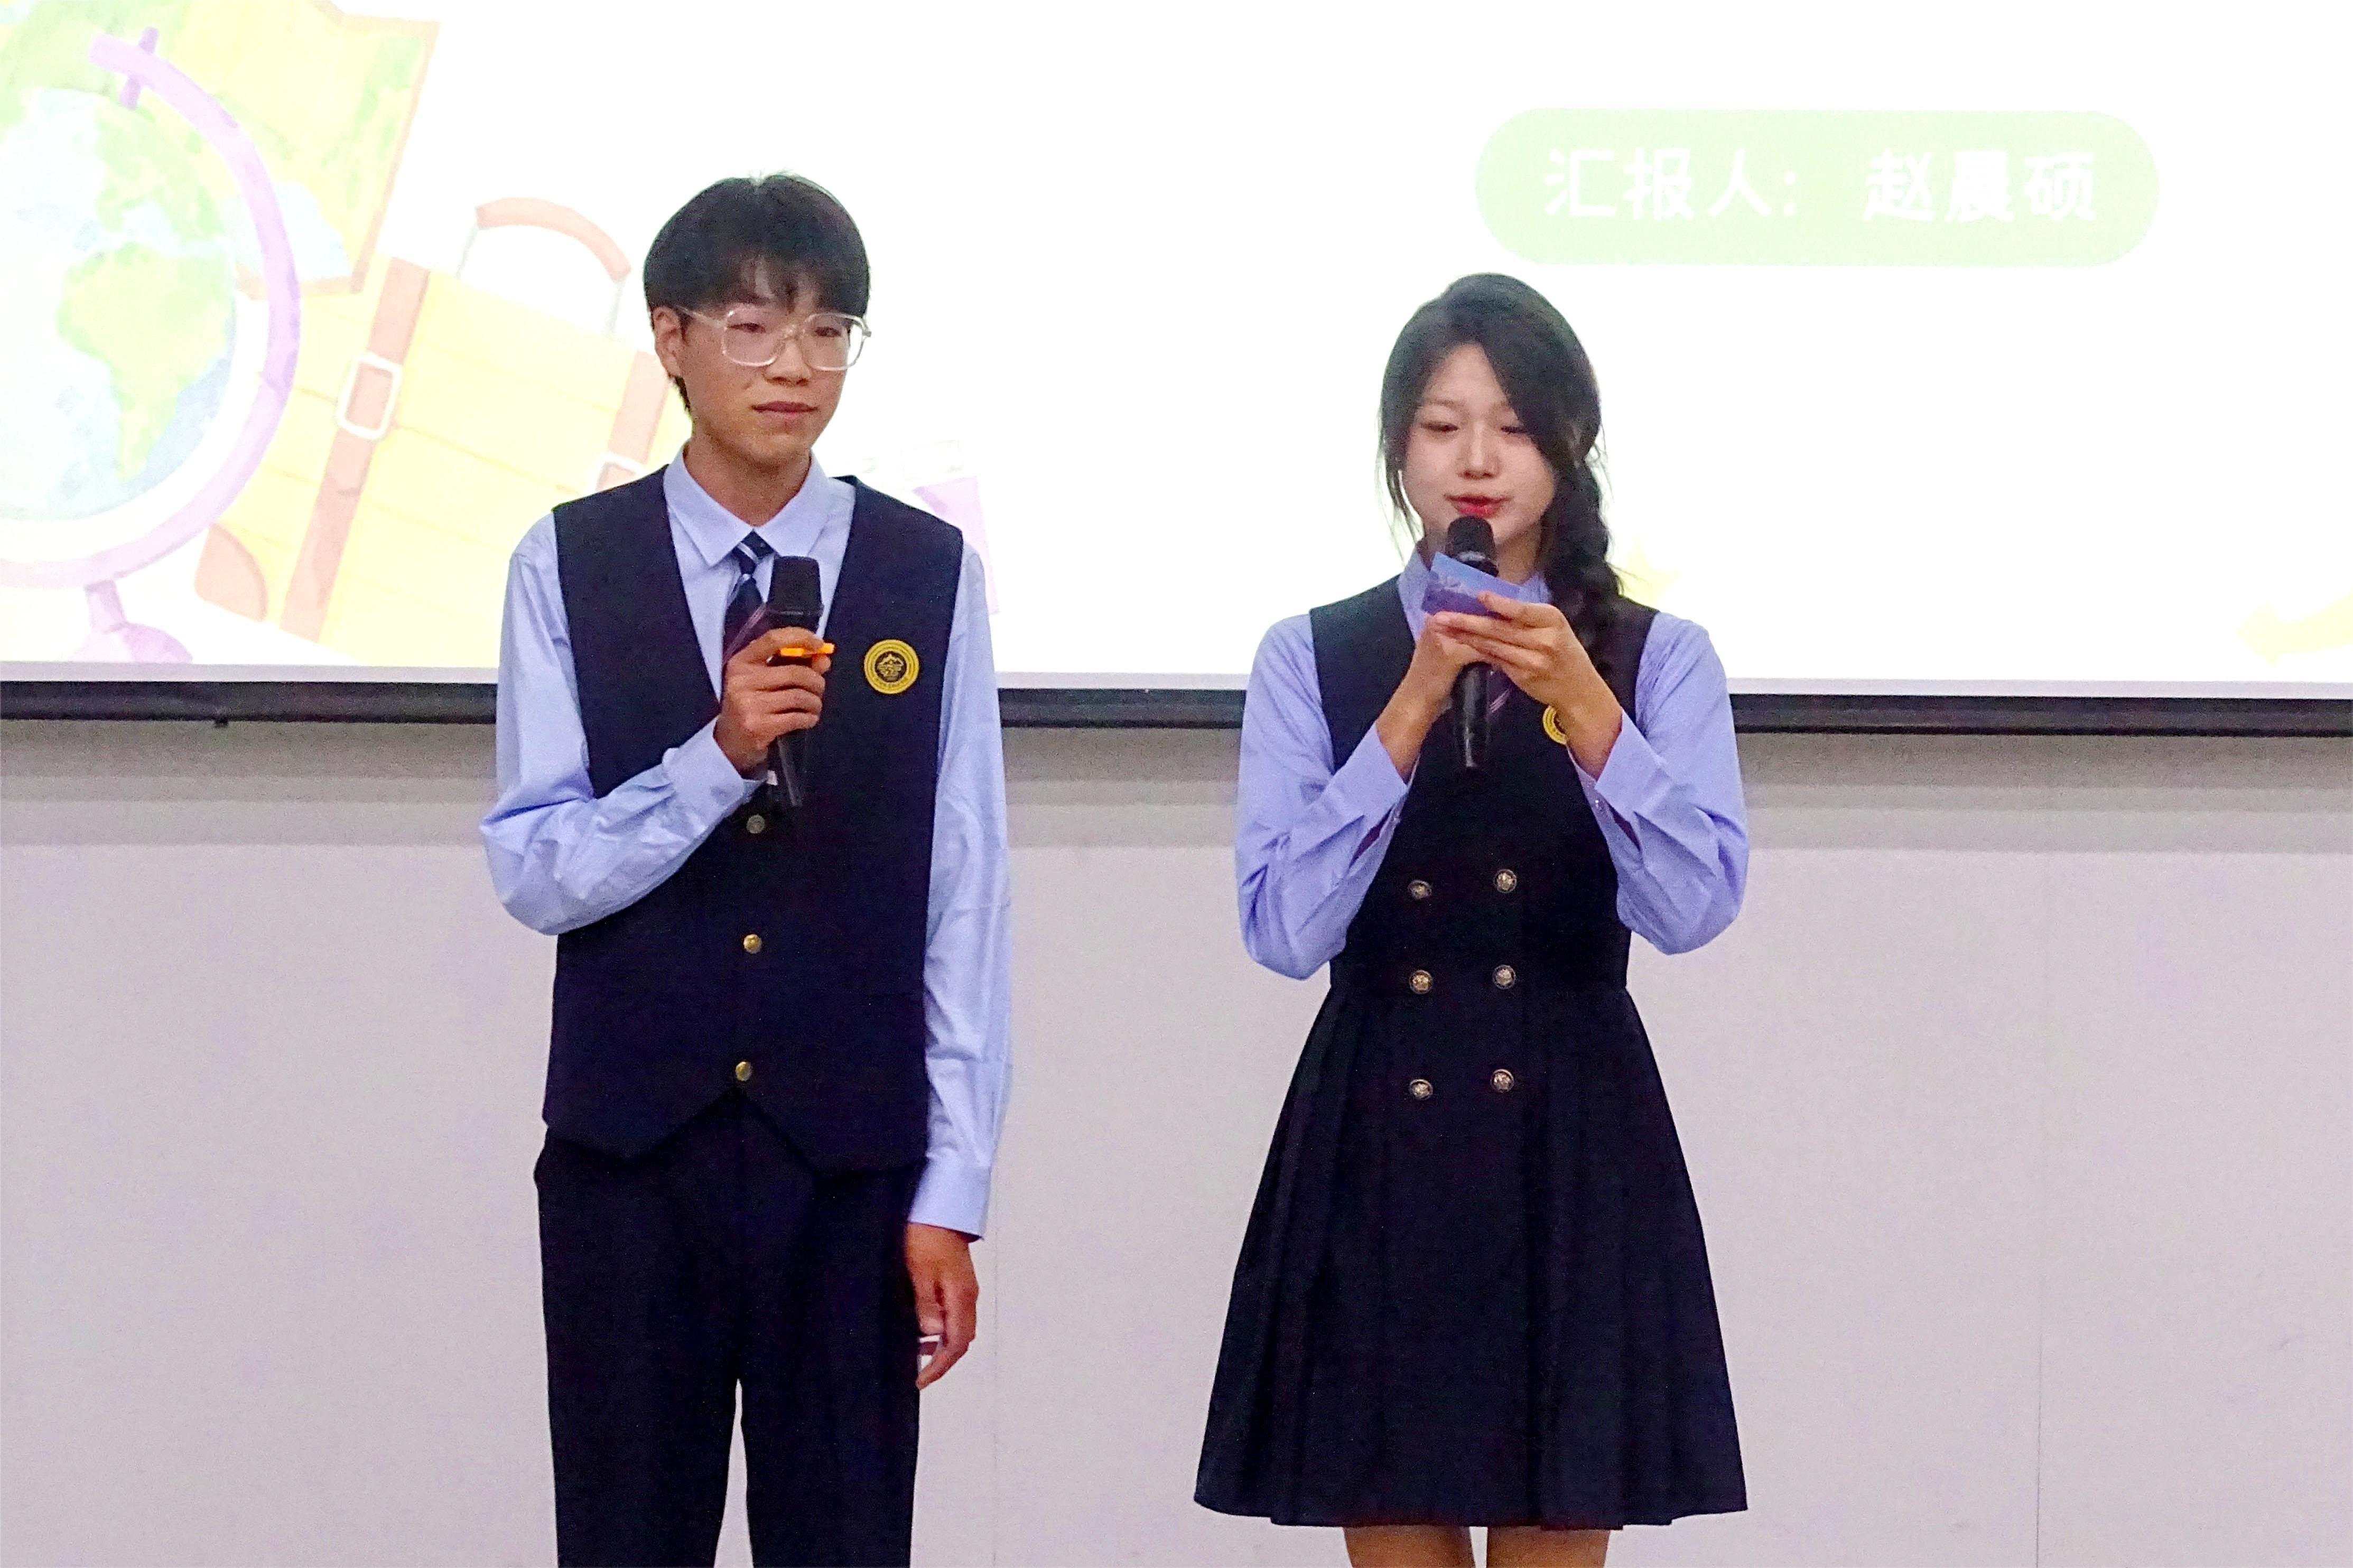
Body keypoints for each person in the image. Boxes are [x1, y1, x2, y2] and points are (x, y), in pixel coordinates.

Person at [481, 173, 1009, 1567]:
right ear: (670, 339)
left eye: (829, 330)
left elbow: (964, 893)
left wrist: (951, 1187)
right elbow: (535, 867)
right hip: (628, 1169)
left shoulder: (926, 573)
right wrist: (715, 758)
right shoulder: (567, 562)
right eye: (754, 327)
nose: (795, 366)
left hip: (847, 1171)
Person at [1195, 274, 1748, 1568]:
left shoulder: (1656, 655)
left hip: (1572, 1122)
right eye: (1443, 427)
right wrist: (1408, 704)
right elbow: (1281, 928)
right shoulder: (1311, 654)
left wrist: (1586, 709)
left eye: (1513, 426)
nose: (1478, 461)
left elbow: (1693, 906)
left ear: (1568, 445)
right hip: (1378, 1119)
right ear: (1399, 449)